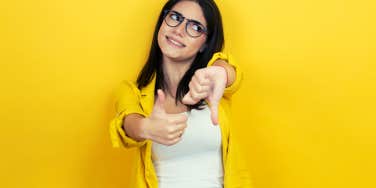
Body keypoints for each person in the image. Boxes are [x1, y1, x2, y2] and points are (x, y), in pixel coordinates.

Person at [109, 0, 252, 187]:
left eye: (195, 27)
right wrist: (146, 127)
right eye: (175, 17)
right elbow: (128, 123)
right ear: (162, 21)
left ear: (204, 43)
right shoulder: (131, 91)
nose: (179, 30)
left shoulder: (211, 86)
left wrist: (222, 72)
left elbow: (232, 74)